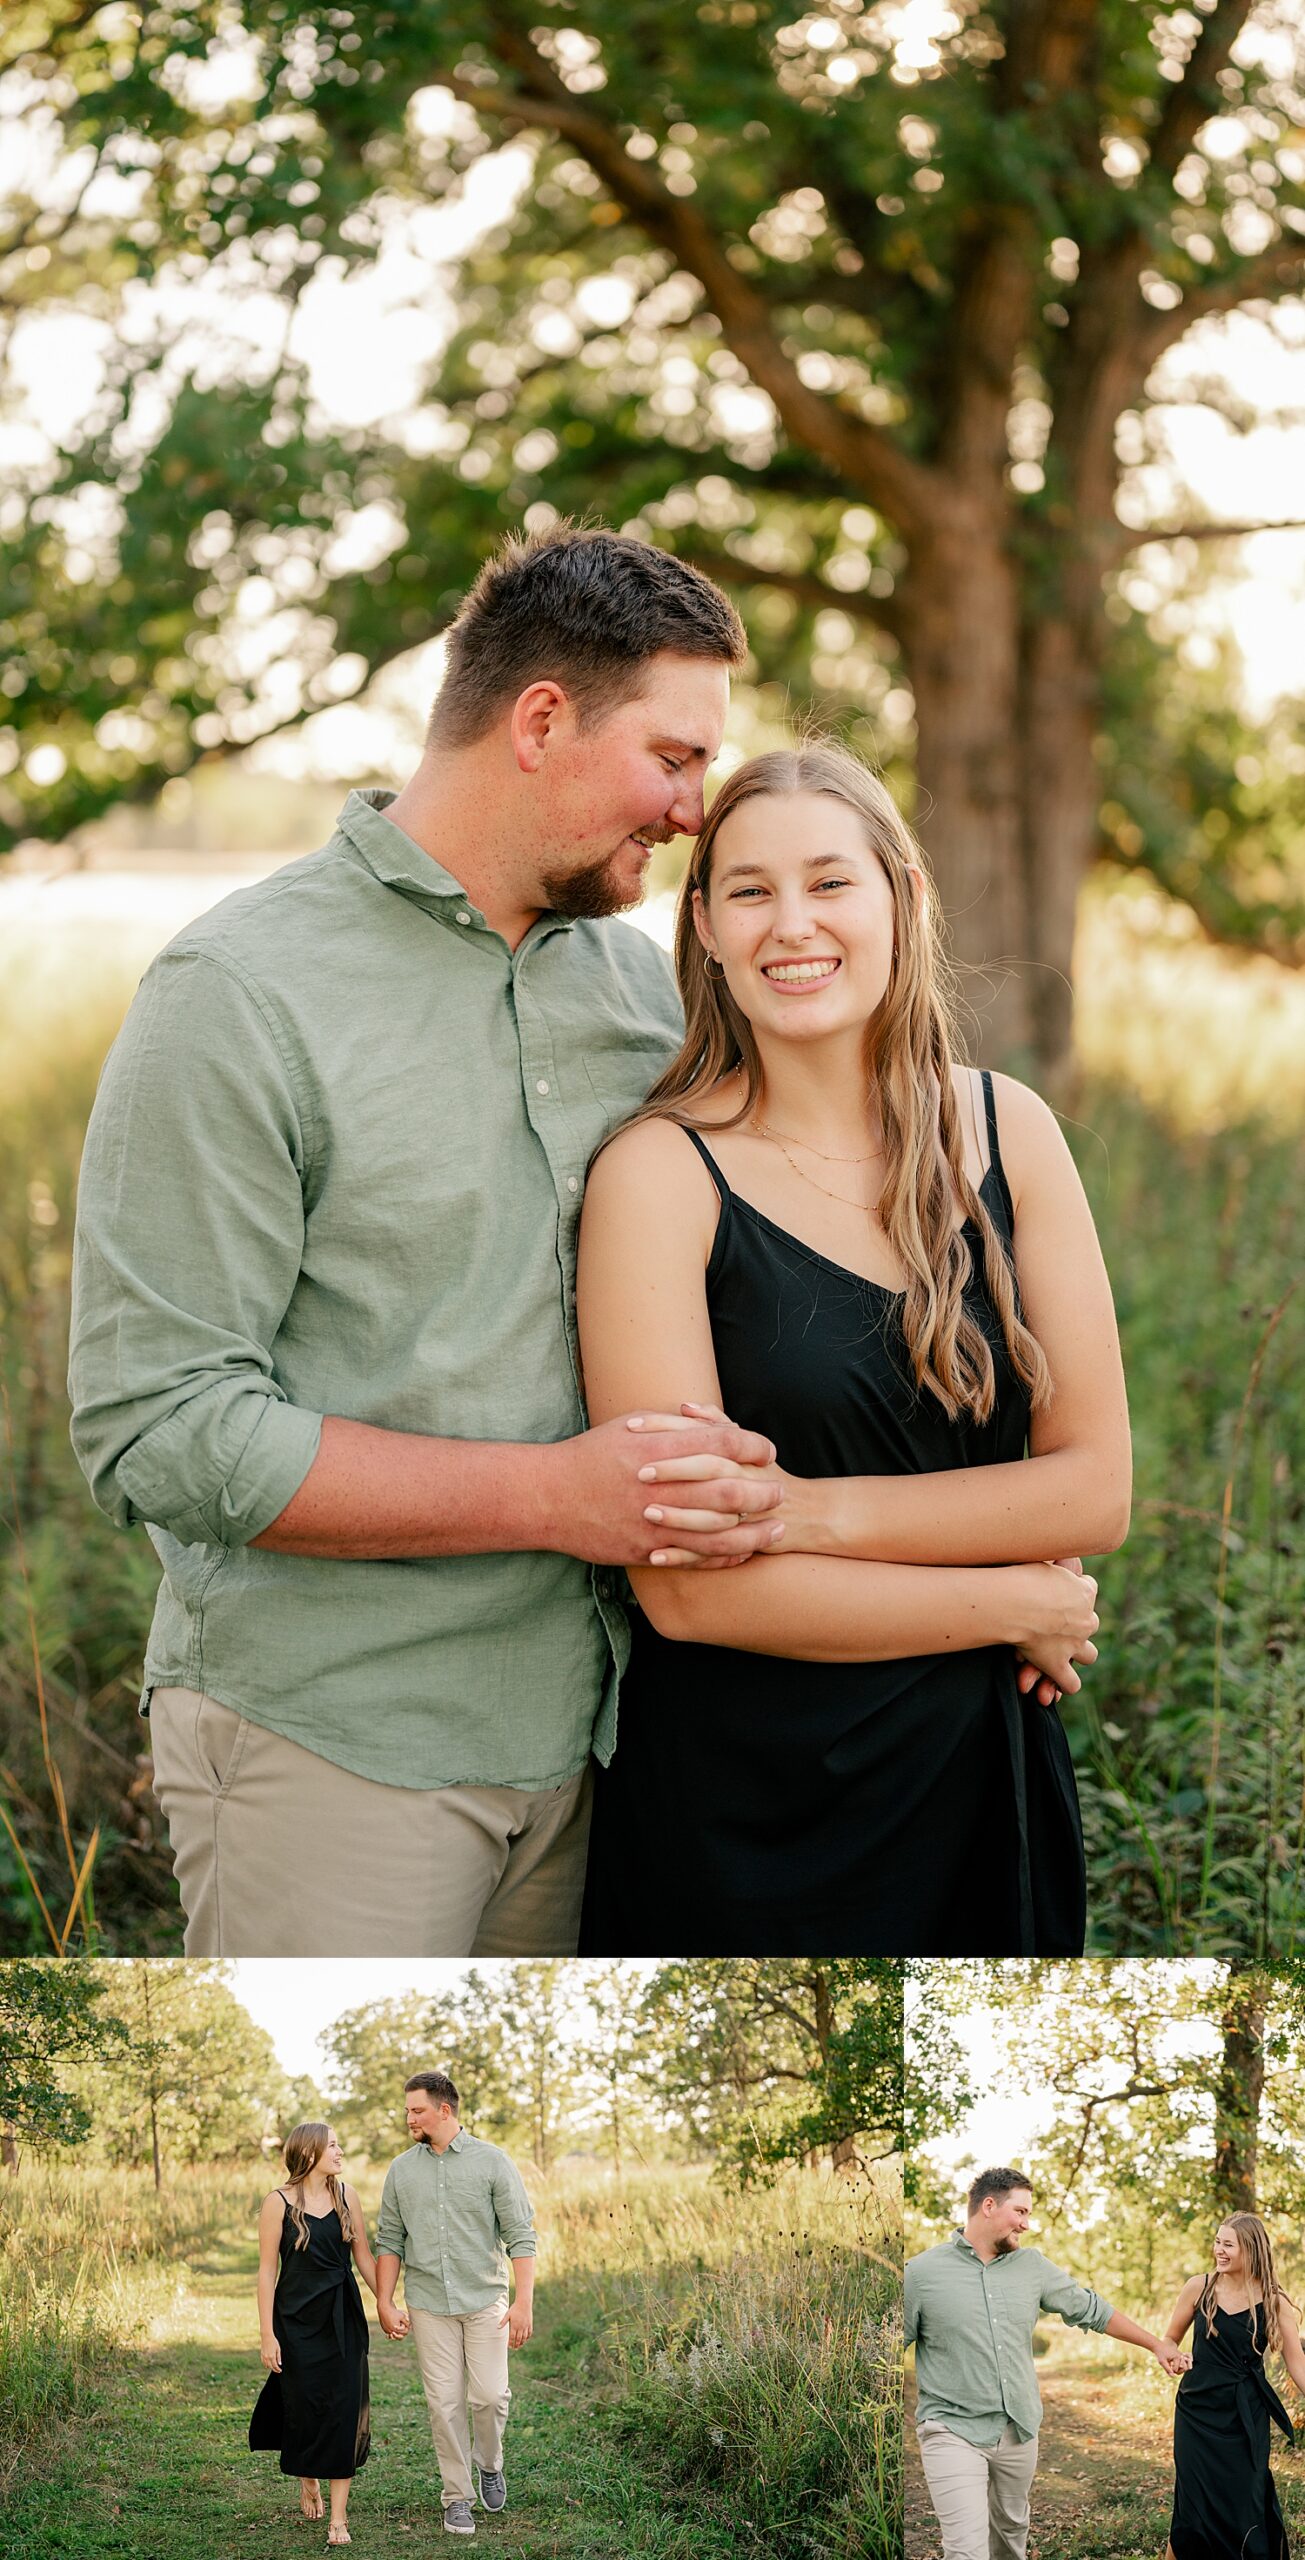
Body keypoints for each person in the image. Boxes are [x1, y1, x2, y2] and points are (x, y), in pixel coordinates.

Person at [67, 522, 787, 1959]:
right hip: (334, 1747)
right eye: (673, 756)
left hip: (600, 1743)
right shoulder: (238, 993)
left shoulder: (643, 999)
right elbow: (160, 1427)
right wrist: (555, 1499)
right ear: (539, 722)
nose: (693, 810)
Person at [575, 742, 1130, 1956]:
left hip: (984, 1781)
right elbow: (685, 1591)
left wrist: (810, 1514)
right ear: (706, 926)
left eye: (831, 882)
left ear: (905, 898)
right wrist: (1007, 1600)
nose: (793, 925)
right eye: (751, 890)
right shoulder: (660, 1176)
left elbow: (1093, 1486)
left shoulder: (1009, 1130)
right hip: (745, 1815)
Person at [905, 2167, 1189, 2560]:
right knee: (966, 2550)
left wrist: (1156, 2345)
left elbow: (1093, 2309)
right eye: (1020, 2212)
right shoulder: (920, 2274)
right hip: (951, 2429)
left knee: (1010, 2535)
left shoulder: (1032, 2267)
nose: (1026, 2224)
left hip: (1018, 2429)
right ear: (989, 2206)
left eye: (1028, 2215)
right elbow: (885, 2348)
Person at [375, 2070, 535, 2539]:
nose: (409, 2117)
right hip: (428, 2304)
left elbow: (521, 2236)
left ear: (444, 2110)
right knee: (443, 2405)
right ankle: (457, 2497)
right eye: (407, 2110)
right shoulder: (401, 2170)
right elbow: (390, 2240)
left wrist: (523, 2303)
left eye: (417, 2109)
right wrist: (384, 2301)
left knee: (488, 2397)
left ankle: (489, 2464)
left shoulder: (492, 2162)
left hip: (485, 2300)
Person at [250, 2120, 385, 2548]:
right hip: (296, 2319)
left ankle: (339, 2519)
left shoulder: (347, 2196)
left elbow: (363, 2255)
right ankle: (307, 2478)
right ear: (309, 2153)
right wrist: (267, 2334)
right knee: (305, 2406)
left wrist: (387, 2302)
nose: (341, 2151)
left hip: (342, 2316)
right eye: (333, 2145)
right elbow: (268, 2271)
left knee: (345, 2411)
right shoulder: (278, 2203)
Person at [1164, 2212, 1304, 2560]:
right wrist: (1173, 2356)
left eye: (1228, 2244)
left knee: (1245, 2502)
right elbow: (1169, 2338)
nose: (1219, 2251)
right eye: (1217, 2242)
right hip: (1196, 2410)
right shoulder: (1200, 2286)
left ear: (1251, 2250)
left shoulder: (1275, 2302)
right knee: (1191, 2505)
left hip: (1245, 2417)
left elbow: (1297, 2365)